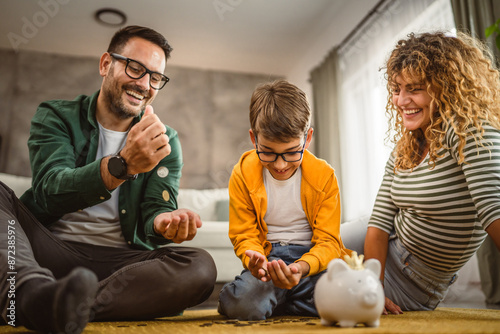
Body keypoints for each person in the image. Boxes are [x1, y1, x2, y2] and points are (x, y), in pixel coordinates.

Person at [0, 25, 216, 333]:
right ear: (105, 64)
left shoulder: (165, 140)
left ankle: (53, 304)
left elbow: (154, 211)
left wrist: (164, 222)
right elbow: (50, 190)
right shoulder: (57, 116)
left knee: (200, 266)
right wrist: (122, 165)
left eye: (155, 77)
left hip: (122, 266)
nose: (144, 84)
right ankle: (33, 290)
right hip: (46, 248)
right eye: (135, 68)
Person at [364, 31, 500, 315]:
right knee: (302, 254)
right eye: (396, 89)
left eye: (414, 88)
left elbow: (495, 211)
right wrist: (372, 288)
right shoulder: (406, 146)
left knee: (302, 289)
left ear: (446, 86)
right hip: (383, 250)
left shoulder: (466, 131)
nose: (401, 101)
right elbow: (378, 224)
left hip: (413, 280)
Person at [217, 79, 351, 320]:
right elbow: (244, 234)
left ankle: (279, 301)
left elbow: (329, 242)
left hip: (311, 263)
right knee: (241, 306)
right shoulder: (242, 172)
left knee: (347, 301)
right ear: (253, 138)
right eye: (267, 152)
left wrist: (301, 267)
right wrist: (254, 259)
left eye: (291, 152)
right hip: (268, 264)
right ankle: (280, 298)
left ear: (307, 138)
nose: (280, 165)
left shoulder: (324, 176)